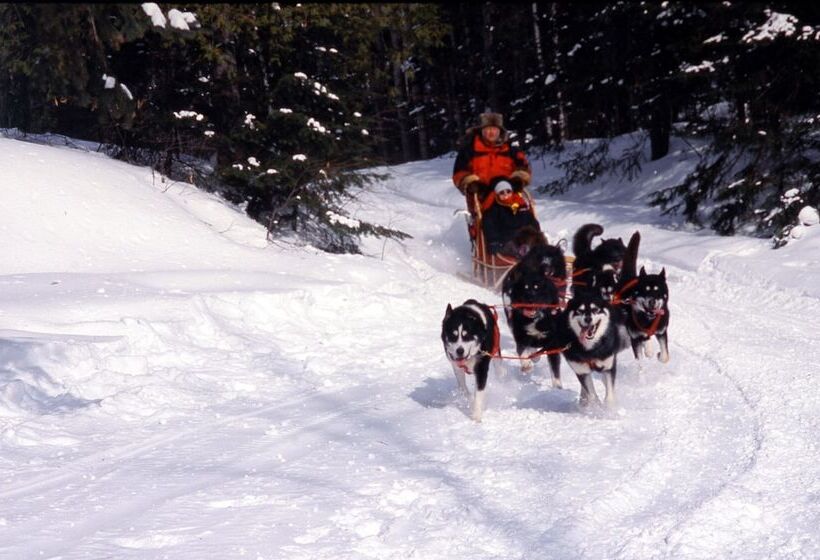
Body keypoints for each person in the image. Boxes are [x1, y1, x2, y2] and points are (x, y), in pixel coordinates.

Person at [452, 112, 532, 218]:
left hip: (508, 194)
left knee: (523, 214)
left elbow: (524, 168)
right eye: (488, 129)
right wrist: (471, 183)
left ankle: (531, 232)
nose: (491, 133)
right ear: (481, 131)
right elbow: (459, 174)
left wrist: (518, 179)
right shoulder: (469, 151)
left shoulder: (511, 150)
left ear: (500, 131)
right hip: (482, 196)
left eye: (495, 129)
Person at [481, 179, 541, 257]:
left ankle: (546, 255)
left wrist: (536, 234)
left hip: (523, 238)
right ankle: (523, 255)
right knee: (513, 246)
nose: (506, 194)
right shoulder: (493, 210)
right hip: (504, 239)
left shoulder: (520, 205)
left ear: (512, 192)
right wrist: (494, 241)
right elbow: (489, 227)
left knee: (536, 241)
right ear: (497, 195)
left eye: (508, 191)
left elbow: (531, 221)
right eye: (502, 193)